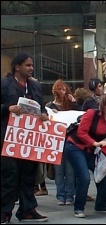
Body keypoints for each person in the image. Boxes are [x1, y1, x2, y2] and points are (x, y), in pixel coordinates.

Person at [1, 52, 49, 223]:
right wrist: (8, 108)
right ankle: (4, 212)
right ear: (17, 67)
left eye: (32, 65)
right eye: (28, 65)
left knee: (29, 176)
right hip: (8, 138)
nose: (31, 68)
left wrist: (44, 114)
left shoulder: (35, 86)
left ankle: (27, 210)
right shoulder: (4, 84)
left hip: (29, 140)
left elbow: (41, 107)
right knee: (9, 175)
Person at [64, 93, 106, 218]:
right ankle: (78, 208)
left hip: (90, 150)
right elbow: (81, 133)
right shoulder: (91, 113)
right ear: (102, 104)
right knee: (84, 177)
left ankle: (100, 205)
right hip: (75, 147)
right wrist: (95, 143)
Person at [46, 79, 77, 206]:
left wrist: (74, 103)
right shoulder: (49, 106)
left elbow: (79, 117)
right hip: (56, 140)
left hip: (69, 139)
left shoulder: (69, 105)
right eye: (60, 89)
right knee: (59, 170)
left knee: (70, 170)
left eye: (64, 89)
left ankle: (69, 195)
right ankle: (60, 195)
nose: (62, 92)